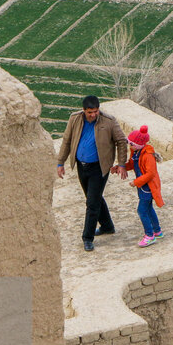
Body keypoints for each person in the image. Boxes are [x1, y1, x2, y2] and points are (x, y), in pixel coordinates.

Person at [57, 96, 128, 252]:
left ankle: (87, 237)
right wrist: (60, 162)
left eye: (96, 111)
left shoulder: (108, 121)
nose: (93, 115)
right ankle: (108, 226)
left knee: (92, 203)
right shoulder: (75, 119)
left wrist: (121, 164)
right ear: (84, 110)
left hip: (100, 167)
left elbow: (122, 141)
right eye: (90, 112)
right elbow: (67, 140)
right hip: (82, 167)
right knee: (93, 197)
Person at [126, 125, 164, 248]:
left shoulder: (147, 156)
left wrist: (136, 182)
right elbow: (132, 164)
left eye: (131, 144)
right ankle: (157, 231)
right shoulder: (136, 152)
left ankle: (149, 235)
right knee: (148, 209)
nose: (129, 146)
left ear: (139, 144)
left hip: (147, 188)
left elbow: (151, 173)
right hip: (143, 187)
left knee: (141, 210)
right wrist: (120, 168)